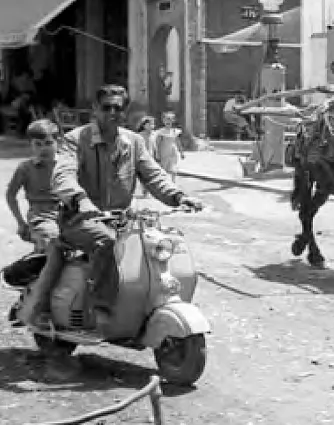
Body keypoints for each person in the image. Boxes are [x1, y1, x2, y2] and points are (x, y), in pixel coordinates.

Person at [38, 85, 203, 325]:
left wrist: (179, 197)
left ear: (125, 112)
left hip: (124, 219)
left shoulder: (134, 142)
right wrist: (80, 200)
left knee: (162, 243)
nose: (113, 113)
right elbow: (62, 176)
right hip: (80, 219)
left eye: (119, 108)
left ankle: (146, 303)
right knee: (106, 241)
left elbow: (154, 175)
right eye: (107, 107)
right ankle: (101, 306)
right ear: (95, 109)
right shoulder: (76, 140)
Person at [6, 119, 61, 253]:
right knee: (52, 239)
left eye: (48, 143)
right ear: (31, 145)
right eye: (38, 144)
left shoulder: (67, 165)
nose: (43, 149)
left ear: (58, 143)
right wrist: (20, 222)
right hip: (41, 217)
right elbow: (10, 194)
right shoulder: (25, 168)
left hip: (67, 214)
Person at [152, 111, 185, 181]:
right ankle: (164, 181)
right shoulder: (161, 132)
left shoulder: (174, 131)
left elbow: (178, 142)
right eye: (166, 119)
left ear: (172, 121)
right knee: (164, 169)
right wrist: (157, 153)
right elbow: (157, 143)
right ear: (163, 121)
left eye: (170, 119)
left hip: (173, 151)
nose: (168, 121)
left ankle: (173, 181)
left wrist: (181, 152)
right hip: (164, 152)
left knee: (173, 168)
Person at [135, 116, 156, 197]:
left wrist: (156, 155)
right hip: (142, 157)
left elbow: (154, 146)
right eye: (149, 124)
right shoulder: (140, 135)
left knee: (150, 175)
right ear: (144, 125)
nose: (151, 126)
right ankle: (144, 190)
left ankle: (148, 190)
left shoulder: (154, 134)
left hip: (151, 157)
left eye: (152, 124)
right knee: (143, 175)